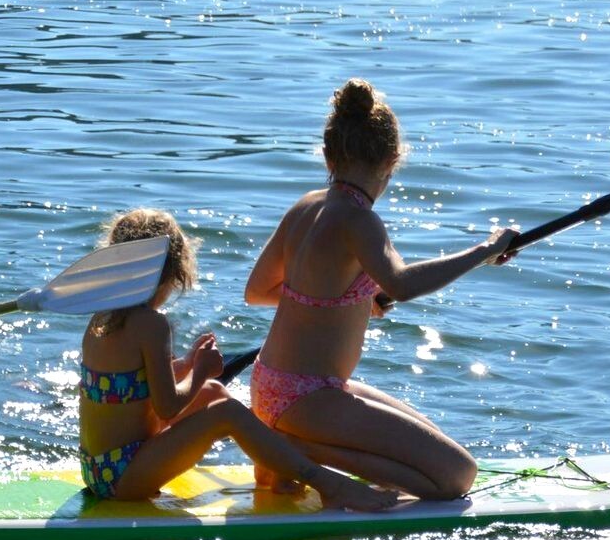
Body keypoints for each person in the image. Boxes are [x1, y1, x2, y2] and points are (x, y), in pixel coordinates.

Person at [243, 78, 519, 501]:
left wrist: (346, 300)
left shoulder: (306, 205)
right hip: (306, 397)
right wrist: (484, 251)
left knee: (432, 447)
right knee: (456, 477)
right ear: (393, 160)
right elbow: (401, 284)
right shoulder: (360, 221)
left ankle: (291, 444)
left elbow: (259, 290)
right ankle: (295, 450)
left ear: (327, 154)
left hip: (271, 384)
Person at [77, 208, 397, 511]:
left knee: (214, 393)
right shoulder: (151, 324)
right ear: (171, 272)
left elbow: (130, 386)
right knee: (227, 413)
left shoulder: (103, 318)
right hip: (123, 478)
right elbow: (167, 407)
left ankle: (276, 471)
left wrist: (187, 365)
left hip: (99, 468)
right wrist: (201, 371)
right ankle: (328, 483)